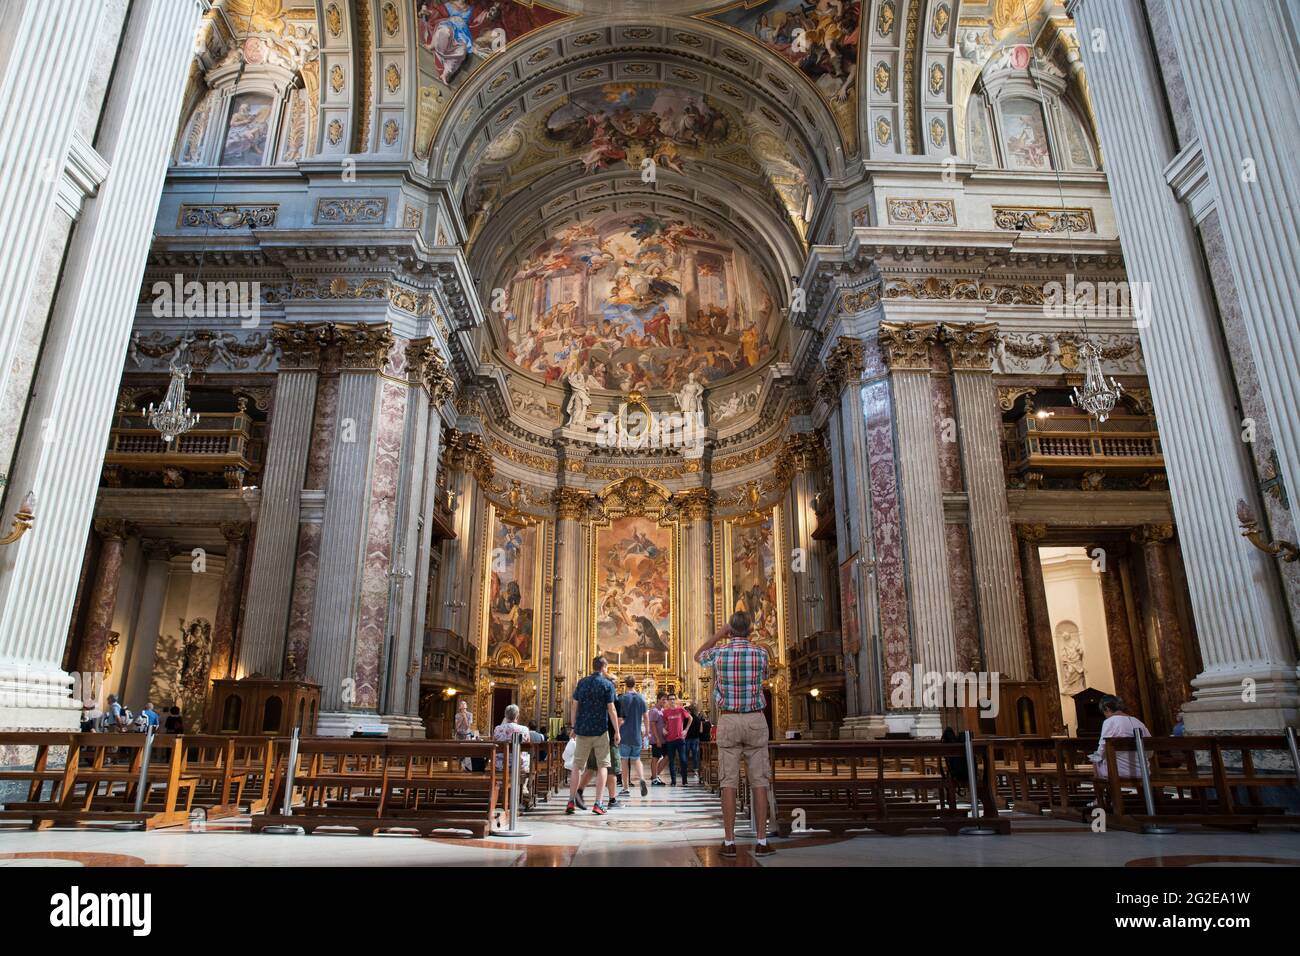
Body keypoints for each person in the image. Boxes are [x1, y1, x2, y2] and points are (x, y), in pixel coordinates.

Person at [695, 611, 774, 857]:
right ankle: (761, 841)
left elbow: (698, 656)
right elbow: (765, 677)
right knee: (759, 781)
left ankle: (729, 844)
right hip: (754, 718)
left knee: (728, 783)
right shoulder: (762, 653)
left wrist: (718, 635)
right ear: (750, 629)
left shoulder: (718, 653)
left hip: (728, 719)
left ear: (730, 630)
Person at [567, 655, 619, 815]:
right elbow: (612, 709)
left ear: (593, 666)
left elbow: (575, 706)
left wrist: (574, 726)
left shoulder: (582, 682)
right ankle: (598, 803)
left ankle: (570, 802)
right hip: (600, 730)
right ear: (604, 668)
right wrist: (617, 731)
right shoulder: (607, 684)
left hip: (582, 730)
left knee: (577, 767)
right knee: (603, 765)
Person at [1088, 696, 1151, 781]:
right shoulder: (1138, 722)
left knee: (1095, 758)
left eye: (1104, 712)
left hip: (1118, 771)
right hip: (1143, 771)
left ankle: (1108, 793)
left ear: (1107, 708)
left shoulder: (1109, 722)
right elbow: (1150, 751)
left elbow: (1102, 749)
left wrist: (1093, 757)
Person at [617, 675, 650, 797]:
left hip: (624, 734)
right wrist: (647, 731)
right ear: (635, 684)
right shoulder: (641, 698)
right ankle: (641, 778)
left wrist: (616, 732)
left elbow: (619, 718)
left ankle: (626, 788)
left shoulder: (622, 698)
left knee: (624, 761)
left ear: (625, 684)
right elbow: (646, 716)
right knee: (636, 759)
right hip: (636, 734)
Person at [661, 694, 693, 785]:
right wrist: (663, 729)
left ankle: (684, 780)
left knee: (683, 759)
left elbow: (690, 718)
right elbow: (664, 723)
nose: (672, 701)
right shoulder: (665, 712)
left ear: (675, 700)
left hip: (680, 738)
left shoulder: (680, 709)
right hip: (670, 739)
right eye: (670, 699)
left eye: (673, 699)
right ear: (667, 700)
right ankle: (673, 781)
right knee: (671, 761)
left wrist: (686, 730)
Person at [648, 692, 668, 785]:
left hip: (663, 739)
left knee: (667, 756)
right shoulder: (654, 710)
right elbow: (652, 725)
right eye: (663, 699)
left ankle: (655, 775)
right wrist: (657, 739)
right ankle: (654, 778)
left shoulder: (662, 710)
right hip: (657, 739)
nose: (665, 701)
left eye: (665, 699)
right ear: (658, 699)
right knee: (656, 757)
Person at [684, 703, 703, 780]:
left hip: (687, 738)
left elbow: (683, 728)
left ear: (689, 711)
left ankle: (684, 768)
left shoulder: (686, 718)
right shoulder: (698, 719)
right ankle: (696, 770)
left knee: (685, 754)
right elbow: (700, 730)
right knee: (695, 755)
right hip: (695, 738)